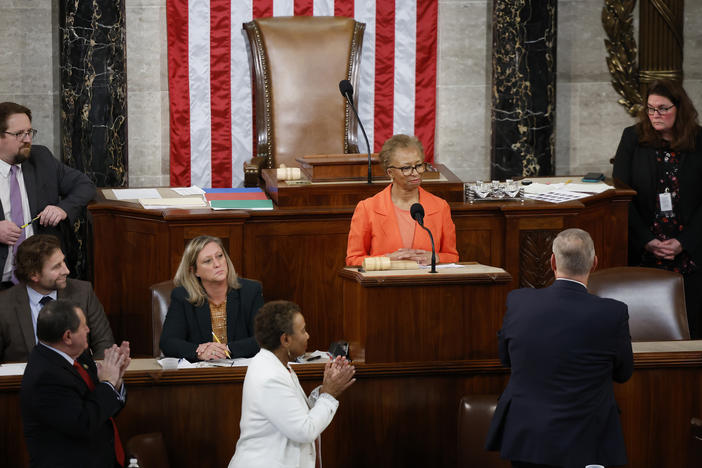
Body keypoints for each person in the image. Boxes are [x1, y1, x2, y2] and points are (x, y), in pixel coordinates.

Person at [485, 228, 633, 468]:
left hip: (528, 439)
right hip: (587, 440)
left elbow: (506, 358)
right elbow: (623, 373)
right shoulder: (613, 313)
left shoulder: (519, 301)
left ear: (552, 261)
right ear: (594, 263)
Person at [612, 80, 702, 339]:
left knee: (690, 328)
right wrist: (647, 240)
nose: (655, 115)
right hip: (644, 248)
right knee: (643, 329)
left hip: (690, 251)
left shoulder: (699, 140)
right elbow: (621, 195)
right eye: (650, 109)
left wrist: (684, 242)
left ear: (680, 108)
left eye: (663, 109)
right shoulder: (633, 137)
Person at [229, 300, 355, 468]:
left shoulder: (277, 364)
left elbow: (295, 414)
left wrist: (325, 388)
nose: (307, 336)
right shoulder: (269, 376)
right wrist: (329, 395)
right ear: (286, 339)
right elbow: (304, 430)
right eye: (303, 330)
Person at [20, 299, 130, 468]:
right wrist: (107, 383)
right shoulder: (46, 376)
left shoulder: (80, 355)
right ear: (68, 336)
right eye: (83, 326)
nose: (88, 329)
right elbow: (83, 423)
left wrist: (116, 379)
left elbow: (102, 410)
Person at [0, 102, 96, 289]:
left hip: (41, 279)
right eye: (19, 134)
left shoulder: (41, 158)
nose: (27, 139)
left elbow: (85, 185)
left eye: (30, 132)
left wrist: (62, 208)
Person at [345, 134, 459, 266]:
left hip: (426, 284)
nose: (415, 173)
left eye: (419, 165)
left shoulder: (440, 206)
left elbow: (452, 256)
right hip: (383, 284)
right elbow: (353, 260)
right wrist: (386, 259)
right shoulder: (367, 208)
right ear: (390, 173)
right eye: (406, 168)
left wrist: (436, 258)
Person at [0, 234, 114, 362]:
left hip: (76, 378)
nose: (66, 271)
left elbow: (104, 345)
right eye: (56, 266)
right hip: (25, 380)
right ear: (34, 275)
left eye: (63, 261)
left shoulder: (83, 292)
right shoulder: (4, 305)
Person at [160, 235, 263, 361]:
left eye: (220, 256)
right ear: (194, 271)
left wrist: (227, 350)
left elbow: (263, 338)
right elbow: (168, 343)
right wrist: (200, 352)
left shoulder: (250, 291)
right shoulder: (182, 296)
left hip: (243, 372)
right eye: (207, 261)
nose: (217, 264)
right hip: (201, 374)